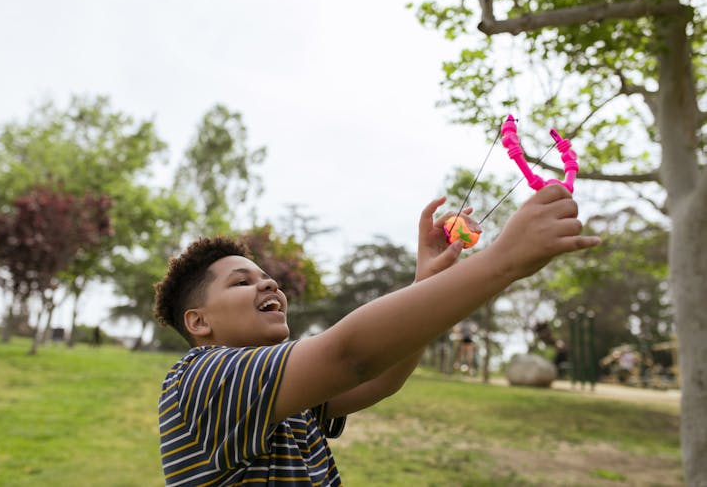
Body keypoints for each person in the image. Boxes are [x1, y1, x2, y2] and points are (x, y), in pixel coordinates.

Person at [154, 186, 600, 486]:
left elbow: (378, 378)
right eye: (241, 282)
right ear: (198, 323)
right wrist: (504, 261)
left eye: (266, 277)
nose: (269, 284)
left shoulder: (284, 394)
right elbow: (349, 356)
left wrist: (426, 281)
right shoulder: (200, 380)